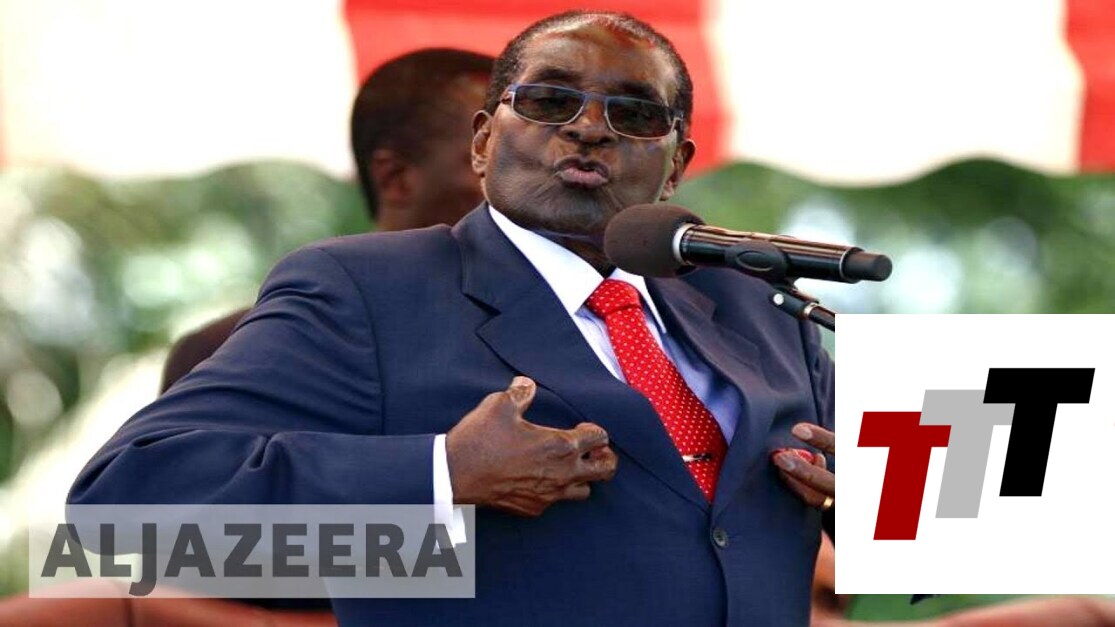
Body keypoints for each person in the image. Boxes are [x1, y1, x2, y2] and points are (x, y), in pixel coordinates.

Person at [71, 11, 835, 625]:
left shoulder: (754, 298)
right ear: (482, 141)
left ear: (675, 165)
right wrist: (441, 474)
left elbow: (901, 530)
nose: (588, 127)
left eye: (633, 113)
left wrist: (867, 497)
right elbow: (121, 515)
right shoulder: (365, 289)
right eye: (548, 100)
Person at [160, 47, 493, 391]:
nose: (520, 186)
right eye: (492, 160)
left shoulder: (525, 338)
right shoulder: (229, 350)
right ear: (395, 178)